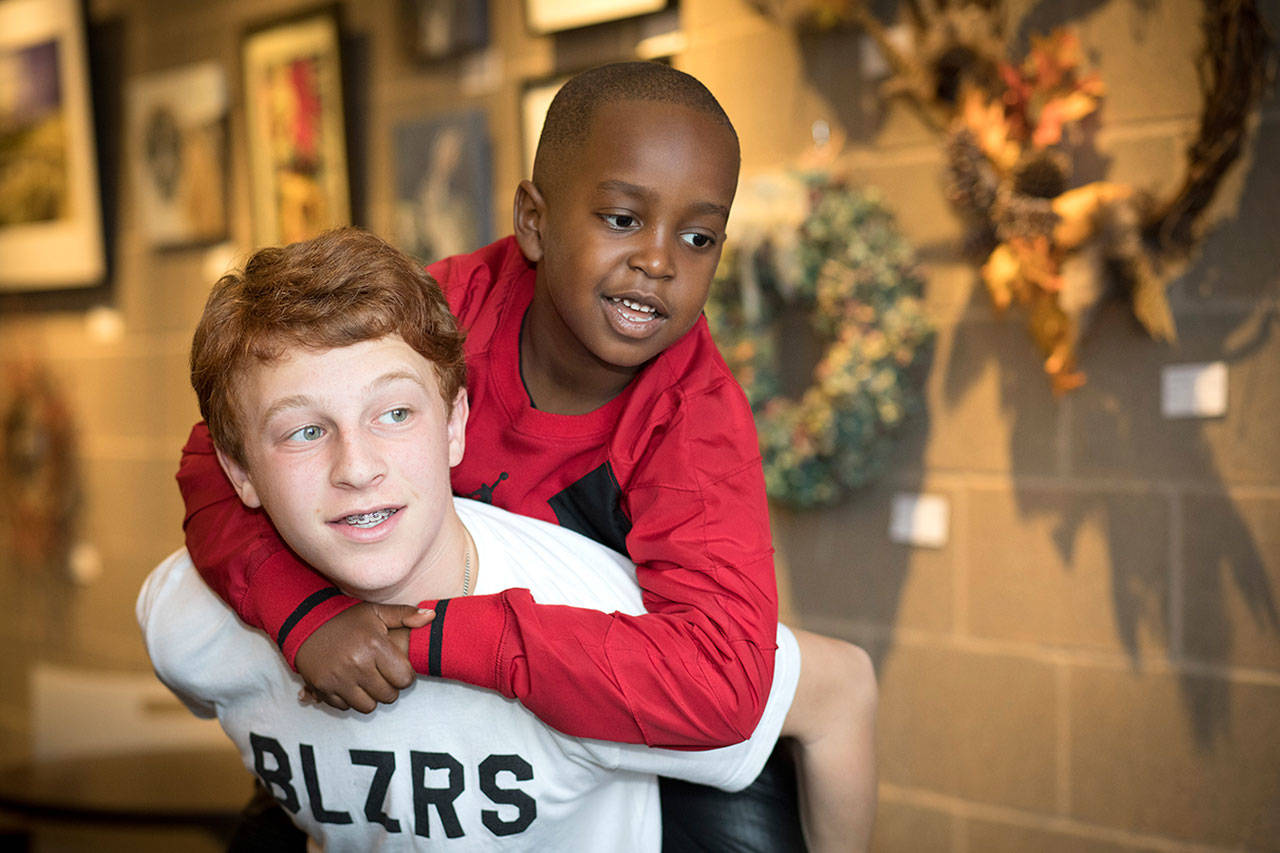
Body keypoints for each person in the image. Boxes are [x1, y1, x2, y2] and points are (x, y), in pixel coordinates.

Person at [176, 62, 877, 849]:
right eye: (622, 218)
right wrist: (305, 616)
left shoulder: (695, 419)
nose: (658, 261)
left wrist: (441, 637)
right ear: (534, 222)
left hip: (601, 710)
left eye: (698, 237)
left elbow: (722, 680)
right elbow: (221, 453)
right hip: (388, 713)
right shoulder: (435, 318)